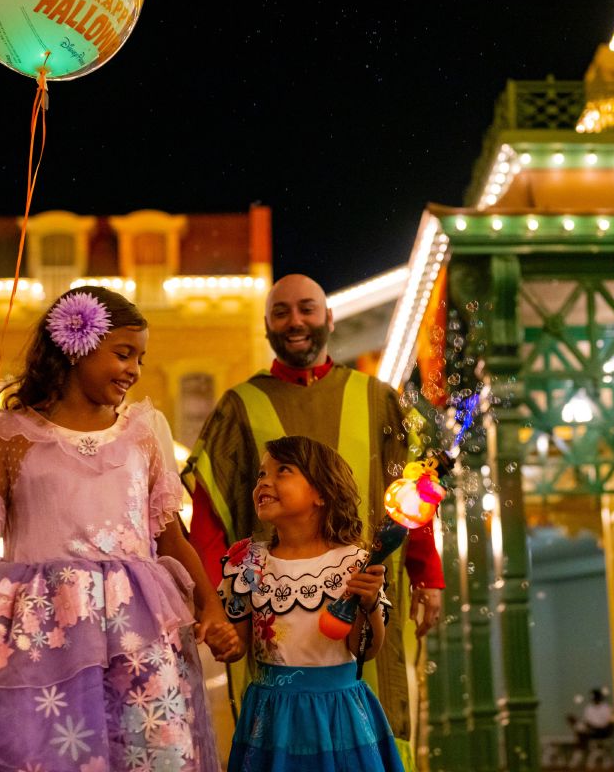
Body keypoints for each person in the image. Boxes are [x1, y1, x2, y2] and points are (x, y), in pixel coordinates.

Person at [0, 286, 228, 772]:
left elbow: (172, 537)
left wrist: (210, 606)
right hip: (44, 629)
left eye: (141, 357)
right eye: (123, 353)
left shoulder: (143, 433)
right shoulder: (13, 434)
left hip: (136, 627)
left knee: (146, 749)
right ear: (76, 344)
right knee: (47, 752)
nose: (134, 369)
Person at [181, 274, 444, 762]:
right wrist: (211, 602)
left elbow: (412, 489)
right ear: (266, 326)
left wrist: (428, 574)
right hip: (269, 610)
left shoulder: (379, 396)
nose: (295, 321)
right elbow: (210, 512)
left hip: (366, 587)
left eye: (306, 309)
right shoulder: (240, 405)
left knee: (371, 724)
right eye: (281, 312)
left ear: (329, 318)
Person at [209, 436, 404, 772]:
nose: (264, 481)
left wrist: (369, 604)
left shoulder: (353, 562)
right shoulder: (247, 562)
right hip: (270, 719)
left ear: (321, 493)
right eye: (260, 474)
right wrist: (223, 641)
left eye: (282, 470)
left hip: (338, 715)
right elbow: (237, 644)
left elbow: (364, 651)